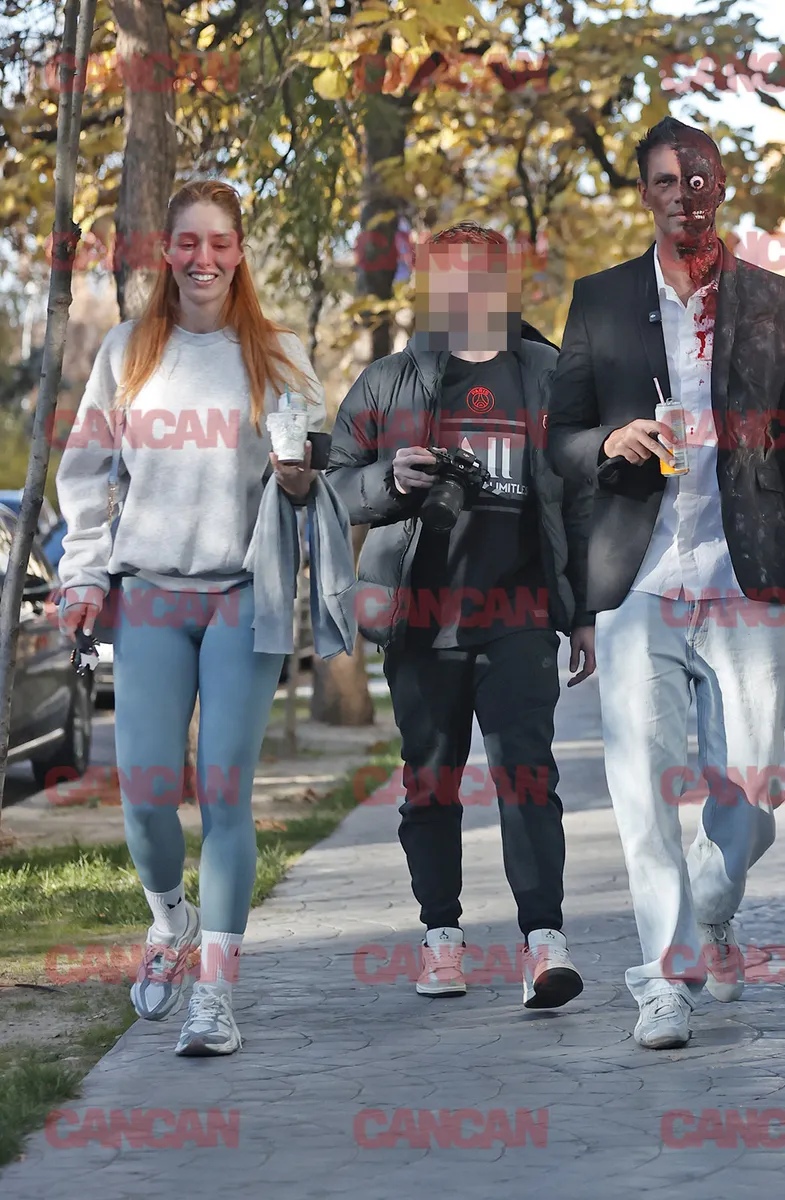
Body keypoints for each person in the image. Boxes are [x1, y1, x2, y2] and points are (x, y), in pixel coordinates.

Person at [547, 117, 785, 1049]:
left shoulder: (777, 302)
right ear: (646, 194)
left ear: (721, 186)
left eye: (701, 177)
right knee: (643, 795)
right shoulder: (599, 300)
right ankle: (664, 979)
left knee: (752, 794)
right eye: (668, 181)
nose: (686, 193)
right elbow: (558, 440)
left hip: (748, 582)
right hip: (638, 582)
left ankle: (715, 903)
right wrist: (609, 440)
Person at [55, 179, 326, 1056]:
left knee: (223, 794)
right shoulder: (129, 349)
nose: (203, 258)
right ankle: (170, 921)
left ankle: (216, 992)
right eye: (187, 243)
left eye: (219, 243)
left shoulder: (278, 355)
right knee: (143, 794)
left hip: (244, 594)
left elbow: (311, 480)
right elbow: (86, 475)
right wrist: (81, 577)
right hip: (150, 593)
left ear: (239, 252)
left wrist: (299, 477)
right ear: (166, 252)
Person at [326, 221, 595, 1008]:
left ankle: (544, 944)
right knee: (430, 785)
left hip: (519, 614)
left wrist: (582, 611)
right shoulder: (389, 381)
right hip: (420, 617)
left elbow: (580, 502)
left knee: (529, 779)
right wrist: (389, 480)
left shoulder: (548, 374)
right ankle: (440, 937)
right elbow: (335, 487)